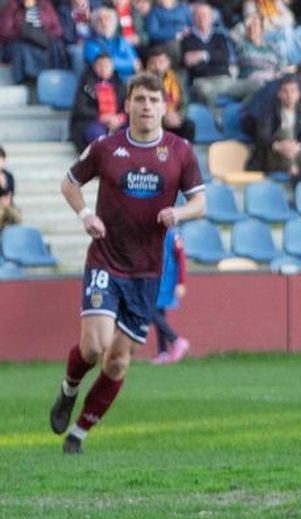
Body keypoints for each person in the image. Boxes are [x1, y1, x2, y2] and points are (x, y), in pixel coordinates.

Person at [52, 72, 207, 454]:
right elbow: (69, 183)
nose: (147, 107)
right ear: (128, 105)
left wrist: (178, 213)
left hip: (147, 271)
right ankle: (69, 389)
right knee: (95, 347)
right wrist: (86, 215)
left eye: (154, 100)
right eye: (140, 99)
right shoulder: (106, 147)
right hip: (106, 260)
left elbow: (200, 203)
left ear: (164, 107)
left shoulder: (180, 151)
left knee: (118, 362)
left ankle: (78, 434)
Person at [251, 75, 301, 179]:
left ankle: (298, 181)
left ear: (299, 94)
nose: (289, 95)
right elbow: (262, 136)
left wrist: (298, 147)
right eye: (285, 91)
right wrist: (278, 145)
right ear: (279, 94)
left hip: (295, 154)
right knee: (286, 133)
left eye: (293, 91)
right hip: (272, 156)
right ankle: (291, 167)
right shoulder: (269, 111)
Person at [69, 54, 128, 152]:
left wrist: (119, 118)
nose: (103, 68)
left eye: (106, 65)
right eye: (100, 65)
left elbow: (127, 107)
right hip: (92, 122)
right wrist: (101, 117)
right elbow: (81, 108)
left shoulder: (120, 84)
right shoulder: (86, 85)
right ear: (94, 67)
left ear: (112, 67)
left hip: (116, 122)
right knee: (99, 138)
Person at [151, 227, 190, 365]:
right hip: (154, 279)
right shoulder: (153, 232)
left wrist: (181, 282)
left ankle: (176, 340)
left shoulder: (172, 235)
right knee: (159, 314)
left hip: (166, 280)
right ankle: (163, 352)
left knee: (151, 311)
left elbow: (181, 258)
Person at [143, 45, 196, 142]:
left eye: (161, 62)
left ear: (168, 62)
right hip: (155, 121)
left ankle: (185, 150)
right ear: (148, 64)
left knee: (189, 126)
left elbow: (184, 102)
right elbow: (145, 106)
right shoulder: (143, 82)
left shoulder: (176, 79)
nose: (158, 66)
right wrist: (164, 118)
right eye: (154, 63)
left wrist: (179, 116)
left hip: (174, 117)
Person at [0, 145, 21, 230]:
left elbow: (11, 191)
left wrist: (7, 199)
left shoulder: (9, 176)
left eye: (1, 159)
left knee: (15, 214)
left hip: (8, 204)